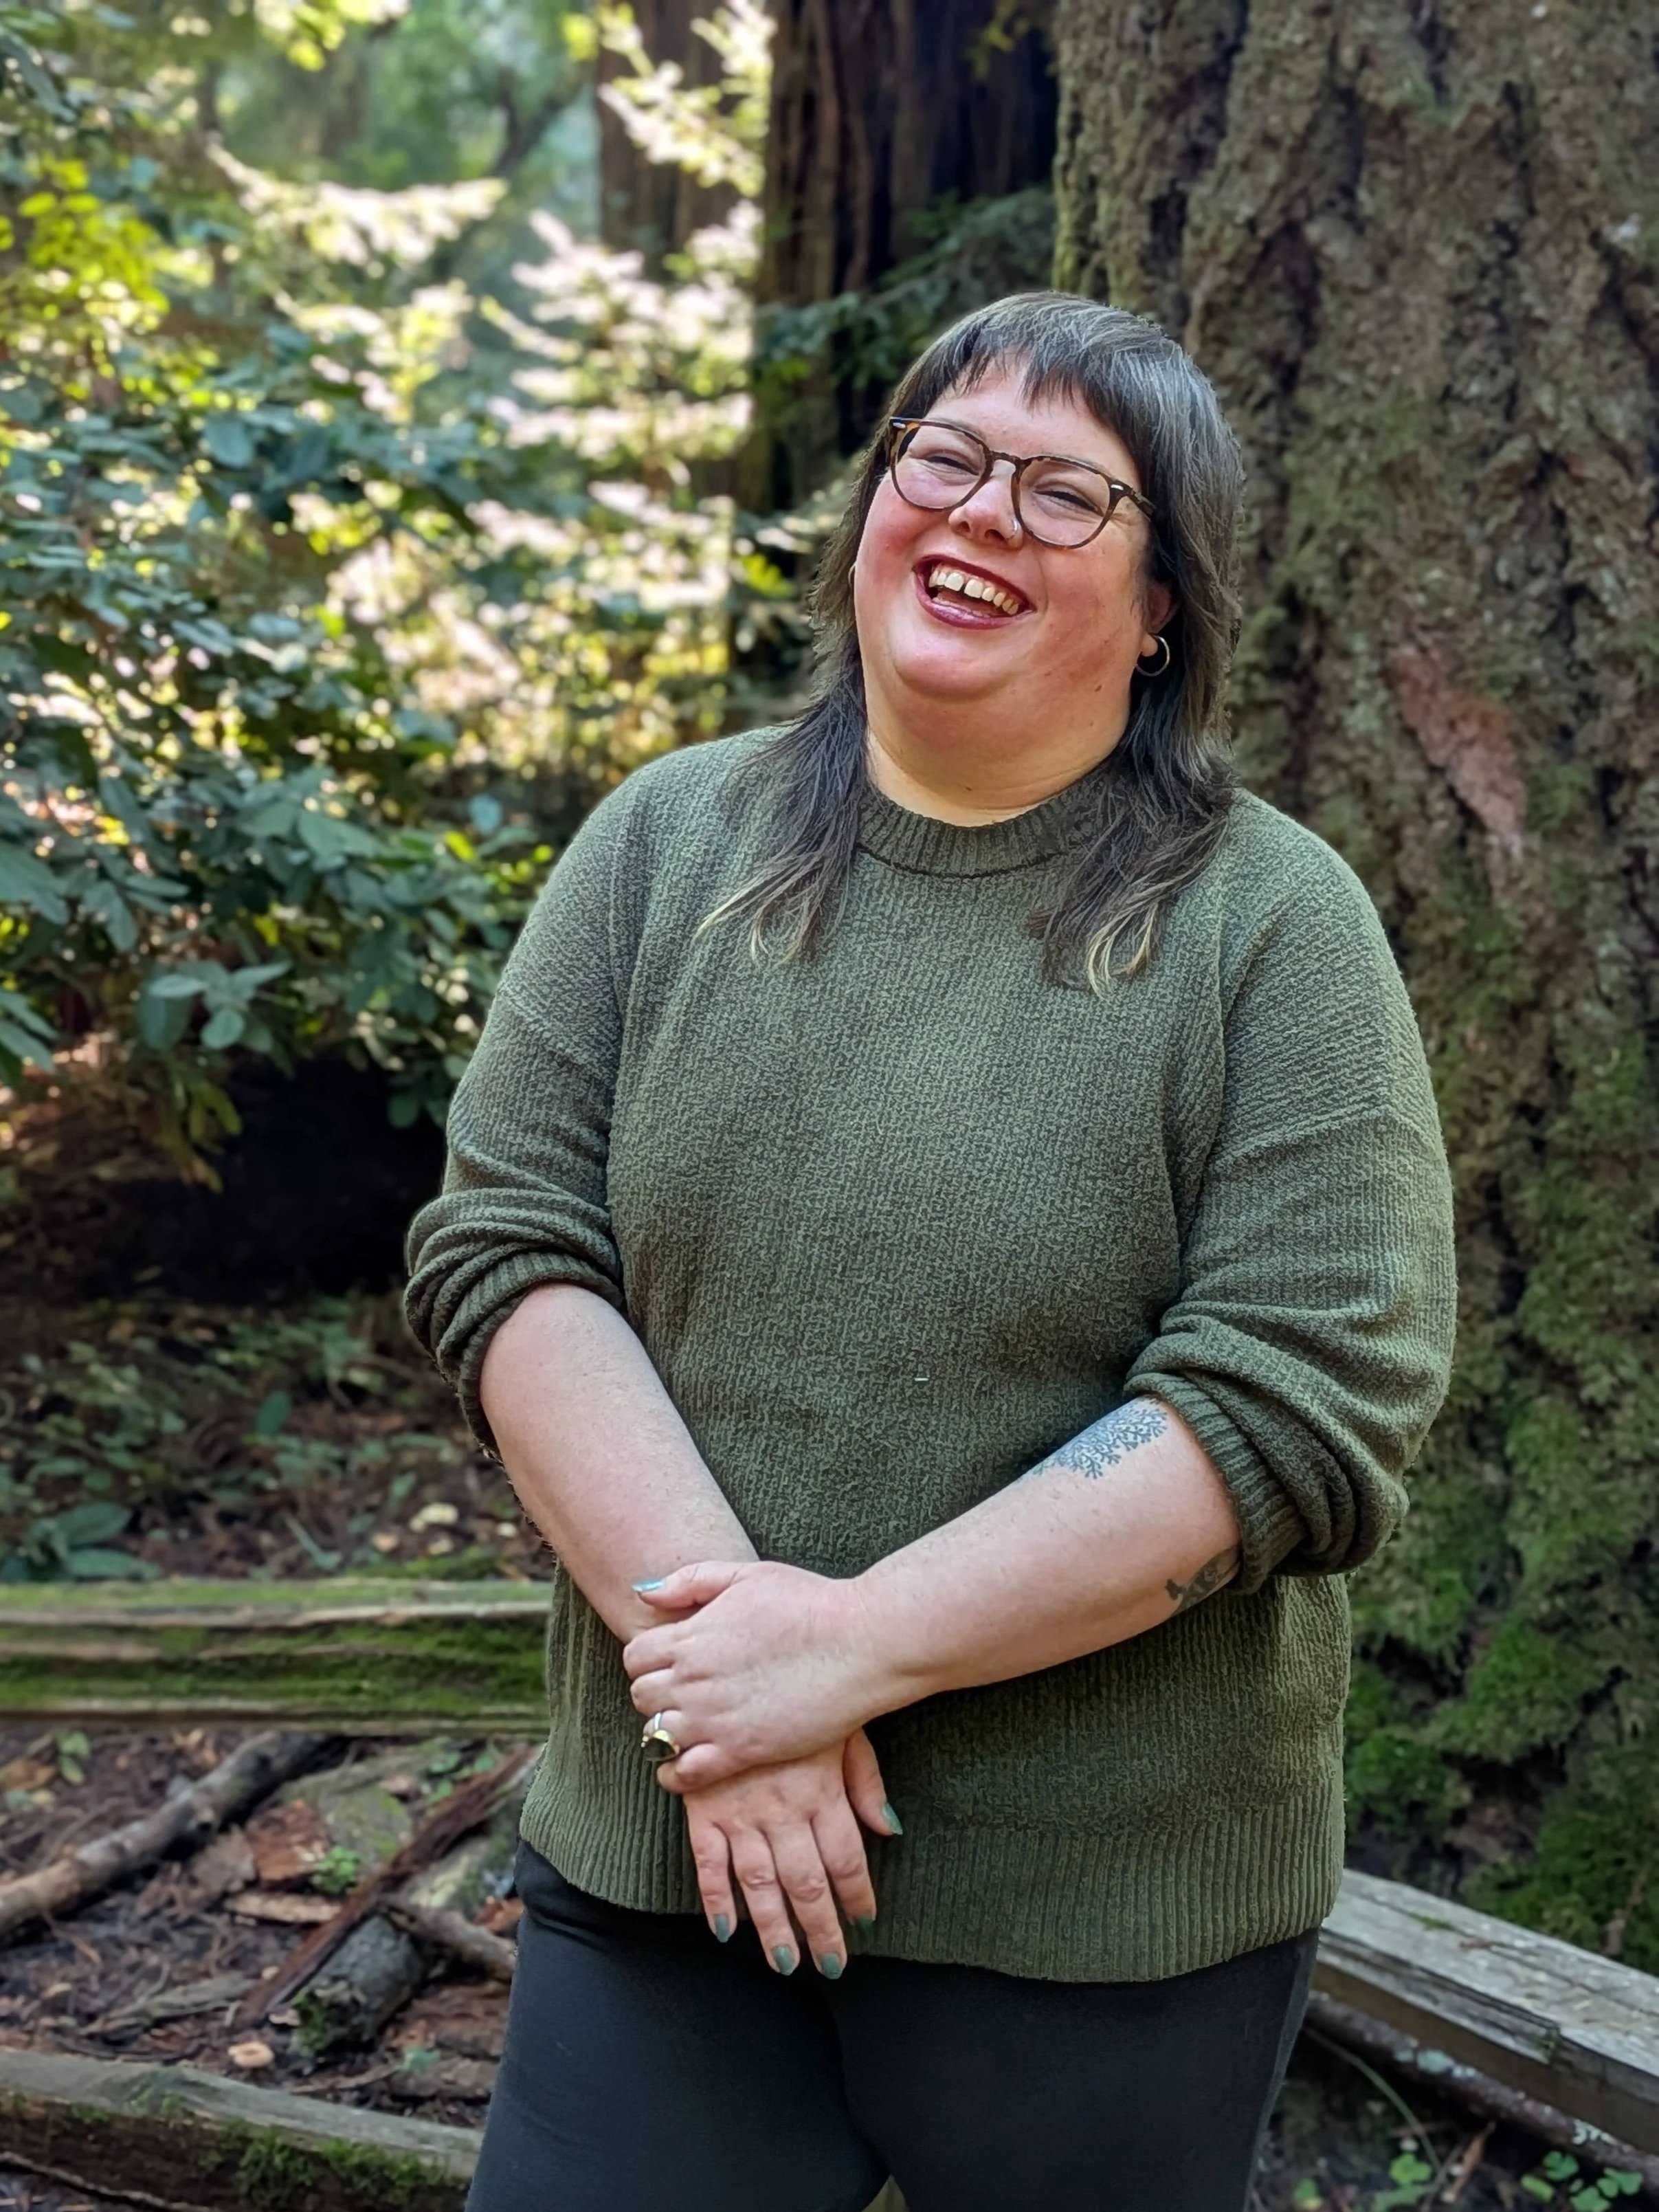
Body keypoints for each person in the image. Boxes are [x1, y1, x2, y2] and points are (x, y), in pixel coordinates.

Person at [403, 290, 1458, 2212]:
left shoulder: (1276, 931)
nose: (977, 515)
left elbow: (1301, 1402)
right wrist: (734, 1682)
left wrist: (854, 1651)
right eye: (943, 458)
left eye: (1068, 494)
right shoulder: (659, 847)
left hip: (1103, 1923)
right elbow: (507, 1252)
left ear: (1164, 609)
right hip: (673, 1858)